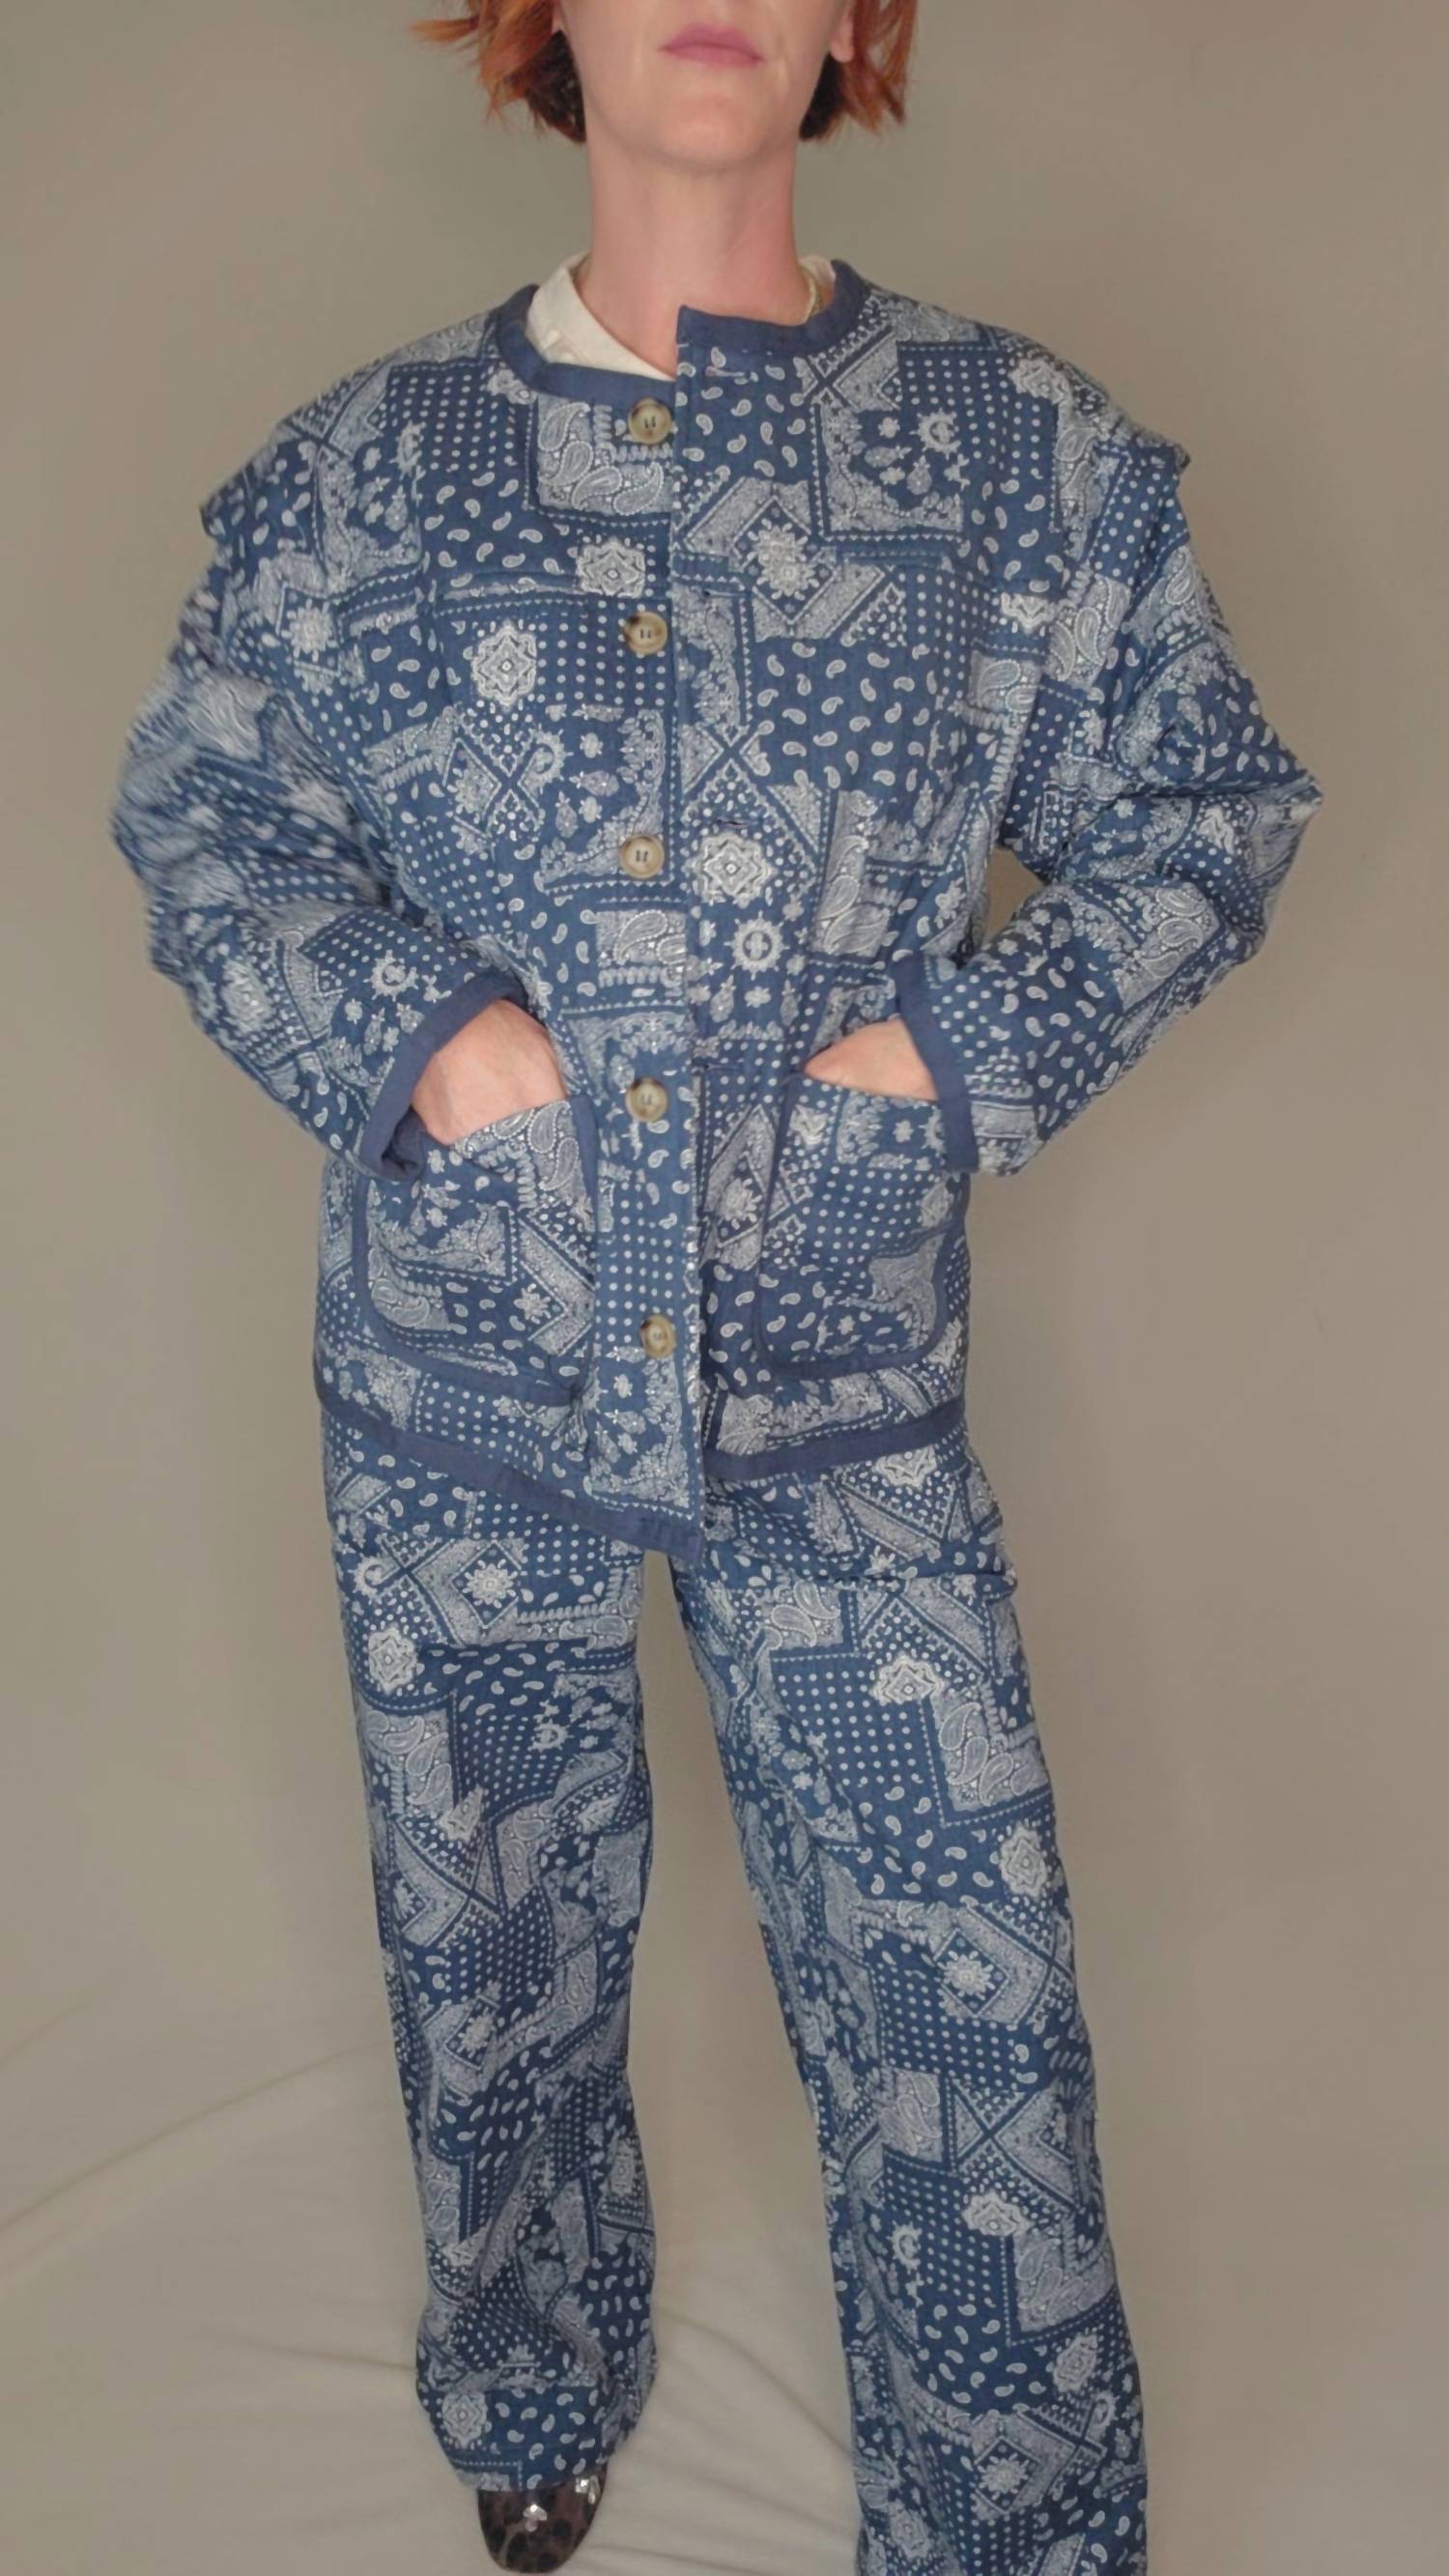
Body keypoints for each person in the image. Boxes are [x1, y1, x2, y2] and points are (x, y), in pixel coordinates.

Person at [107, 4, 1326, 2570]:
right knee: (494, 1947)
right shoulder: (356, 479)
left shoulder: (1023, 464)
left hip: (839, 1385)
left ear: (858, 21)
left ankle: (1006, 2536)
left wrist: (956, 1056)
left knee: (961, 2002)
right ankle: (529, 2374)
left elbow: (1205, 809)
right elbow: (208, 829)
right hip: (460, 1385)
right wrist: (429, 1045)